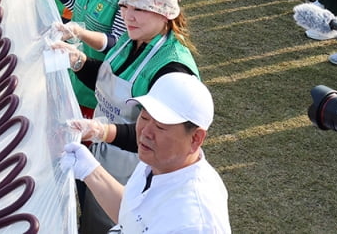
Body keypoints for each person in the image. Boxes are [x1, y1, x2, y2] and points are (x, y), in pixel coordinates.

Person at [61, 72, 230, 234]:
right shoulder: (158, 162)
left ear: (195, 138)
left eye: (161, 126)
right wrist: (90, 170)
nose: (145, 132)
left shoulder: (193, 223)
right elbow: (132, 215)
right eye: (144, 117)